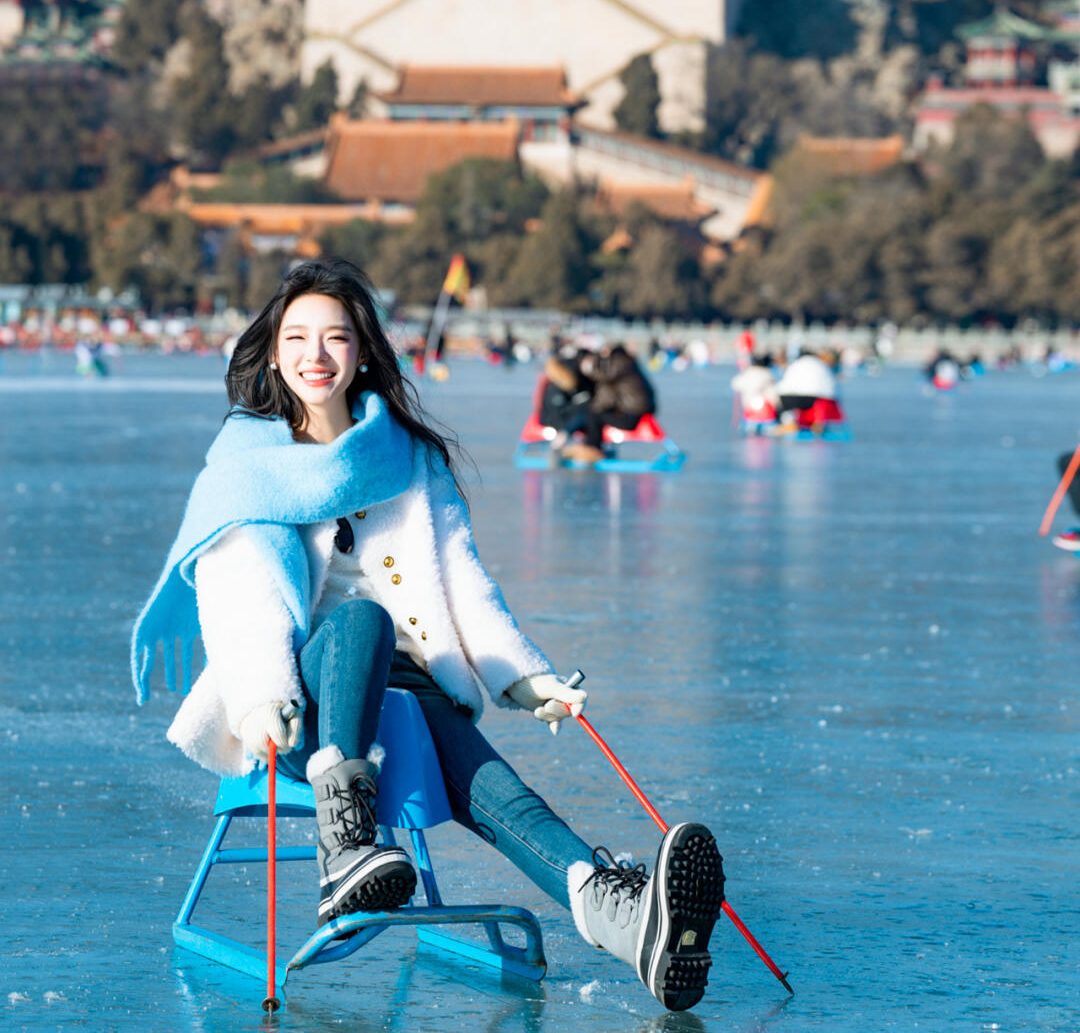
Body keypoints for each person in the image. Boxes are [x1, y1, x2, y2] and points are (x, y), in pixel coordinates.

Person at [131, 259, 723, 1011]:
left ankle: (618, 912)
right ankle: (344, 845)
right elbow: (235, 592)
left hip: (406, 686)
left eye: (336, 337)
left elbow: (463, 580)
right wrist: (260, 695)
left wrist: (522, 672)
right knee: (360, 619)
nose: (317, 354)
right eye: (299, 337)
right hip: (300, 701)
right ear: (275, 350)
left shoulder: (407, 457)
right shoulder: (246, 463)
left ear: (363, 351)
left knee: (506, 796)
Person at [731, 354, 778, 424]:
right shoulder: (768, 374)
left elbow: (735, 384)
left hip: (759, 409)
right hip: (760, 409)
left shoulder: (749, 374)